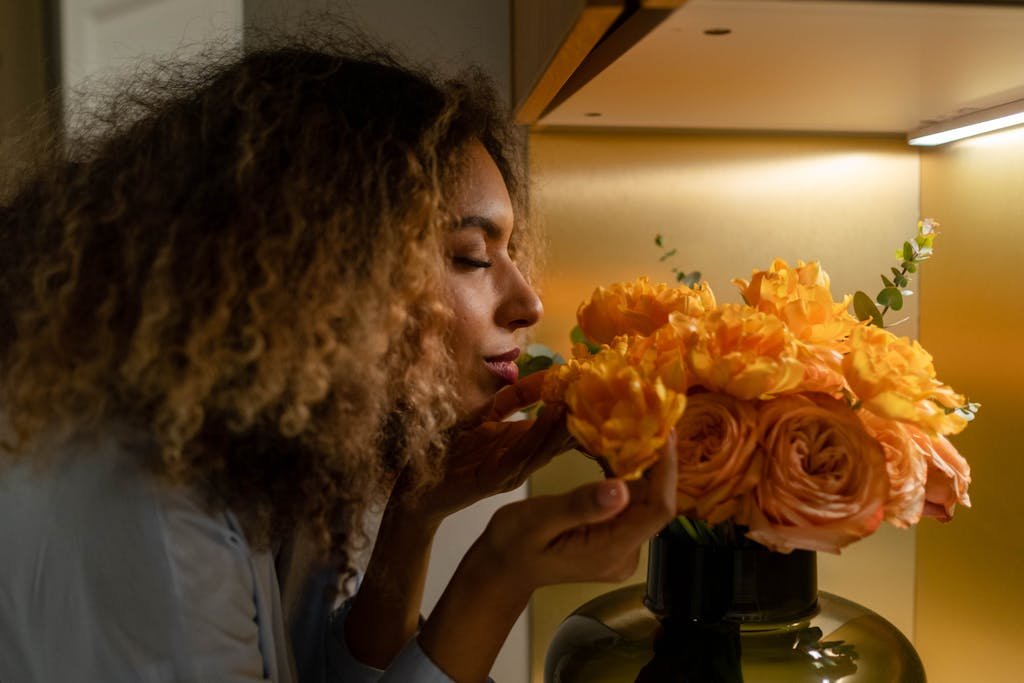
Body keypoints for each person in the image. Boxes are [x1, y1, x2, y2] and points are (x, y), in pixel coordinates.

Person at [0, 35, 677, 683]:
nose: (528, 302)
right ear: (324, 274)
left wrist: (415, 517)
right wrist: (495, 577)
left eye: (510, 255)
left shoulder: (277, 454)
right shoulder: (147, 500)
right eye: (472, 255)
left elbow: (309, 671)